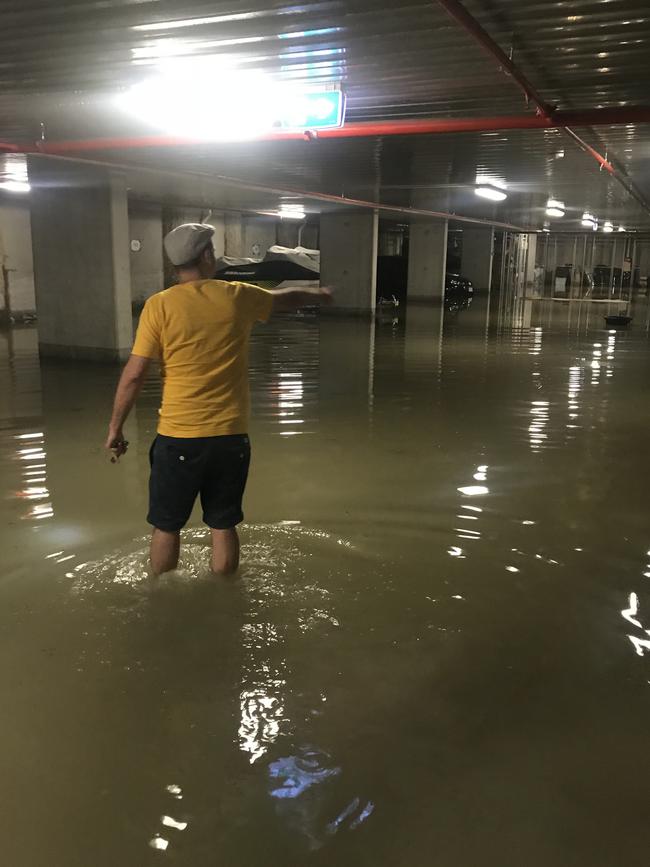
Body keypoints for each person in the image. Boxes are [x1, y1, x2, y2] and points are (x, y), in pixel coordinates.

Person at [105, 222, 331, 577]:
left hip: (178, 436)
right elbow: (286, 300)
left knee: (166, 525)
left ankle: (160, 598)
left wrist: (115, 428)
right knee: (223, 525)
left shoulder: (158, 306)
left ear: (174, 264)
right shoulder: (236, 296)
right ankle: (225, 599)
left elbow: (134, 375)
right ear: (208, 255)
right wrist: (318, 295)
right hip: (229, 436)